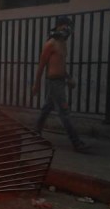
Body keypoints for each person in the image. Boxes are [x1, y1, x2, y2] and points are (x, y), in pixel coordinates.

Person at [32, 16, 89, 151]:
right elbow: (41, 65)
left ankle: (35, 133)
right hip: (54, 83)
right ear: (58, 26)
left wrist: (68, 78)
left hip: (60, 81)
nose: (67, 29)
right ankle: (77, 143)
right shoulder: (51, 44)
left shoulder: (63, 43)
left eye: (68, 26)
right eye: (64, 26)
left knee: (46, 109)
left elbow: (61, 65)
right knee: (64, 112)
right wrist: (37, 84)